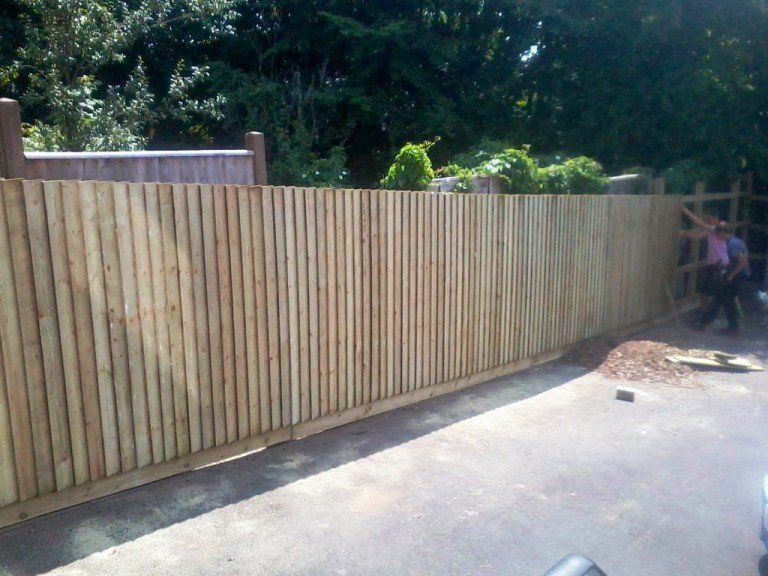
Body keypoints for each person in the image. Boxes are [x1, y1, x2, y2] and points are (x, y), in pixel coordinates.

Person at [695, 225, 750, 335]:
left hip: (737, 275)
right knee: (727, 301)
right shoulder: (736, 241)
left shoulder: (732, 244)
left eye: (718, 235)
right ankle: (733, 328)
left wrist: (731, 275)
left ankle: (702, 324)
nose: (718, 238)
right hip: (738, 274)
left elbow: (743, 262)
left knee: (719, 299)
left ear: (723, 233)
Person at [679, 206, 728, 306]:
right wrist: (683, 233)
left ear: (715, 218)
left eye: (709, 219)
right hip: (713, 264)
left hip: (720, 264)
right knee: (705, 290)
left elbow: (700, 224)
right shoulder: (711, 230)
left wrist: (685, 211)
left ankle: (712, 315)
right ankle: (706, 313)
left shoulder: (718, 228)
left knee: (713, 290)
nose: (707, 221)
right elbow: (697, 236)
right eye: (707, 219)